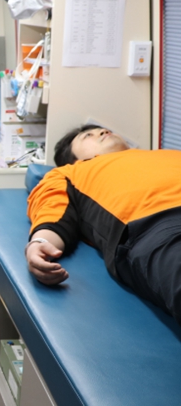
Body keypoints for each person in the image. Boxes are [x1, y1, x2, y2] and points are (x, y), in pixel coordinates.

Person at [25, 124, 181, 323]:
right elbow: (52, 211)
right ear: (75, 159)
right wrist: (39, 244)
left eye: (104, 130)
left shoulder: (167, 154)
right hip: (159, 224)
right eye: (88, 136)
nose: (103, 132)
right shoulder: (70, 172)